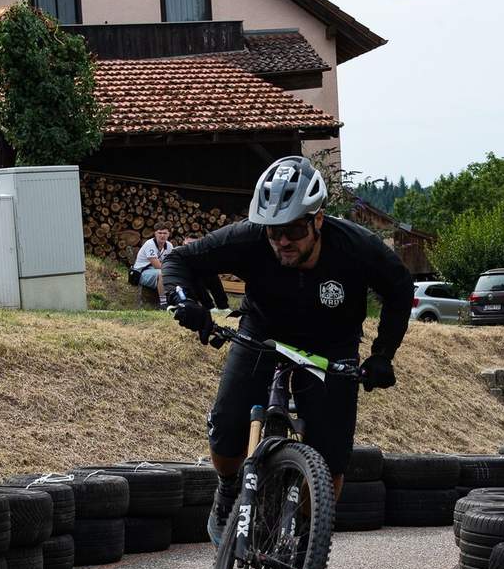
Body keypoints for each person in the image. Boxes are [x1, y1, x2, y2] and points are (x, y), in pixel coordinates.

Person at [162, 156, 413, 542]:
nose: (282, 241)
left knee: (329, 460)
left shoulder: (355, 247)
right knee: (228, 426)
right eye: (274, 231)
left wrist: (383, 354)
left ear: (318, 219)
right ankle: (228, 489)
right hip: (263, 334)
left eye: (294, 230)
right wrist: (185, 303)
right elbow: (179, 259)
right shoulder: (249, 239)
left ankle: (309, 540)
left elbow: (400, 289)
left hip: (332, 344)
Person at [132, 227, 172, 303]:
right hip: (141, 273)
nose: (162, 235)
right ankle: (163, 302)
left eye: (165, 233)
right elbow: (157, 266)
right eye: (160, 233)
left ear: (168, 234)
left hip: (154, 271)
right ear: (155, 234)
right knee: (163, 274)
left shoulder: (169, 246)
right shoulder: (150, 244)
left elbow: (172, 262)